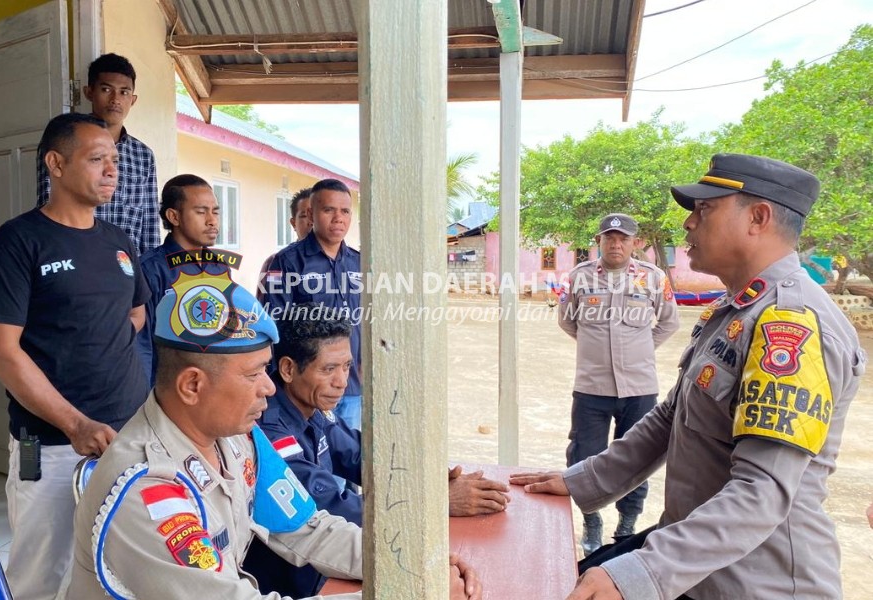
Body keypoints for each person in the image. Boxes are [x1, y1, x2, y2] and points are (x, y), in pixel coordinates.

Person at [511, 153, 867, 600]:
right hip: (697, 567)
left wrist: (645, 571)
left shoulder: (792, 324)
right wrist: (579, 482)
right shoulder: (734, 309)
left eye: (704, 210)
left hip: (756, 583)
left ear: (757, 218)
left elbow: (762, 491)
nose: (687, 225)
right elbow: (671, 418)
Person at [67, 272, 481, 600]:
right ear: (192, 386)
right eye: (253, 375)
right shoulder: (148, 487)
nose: (269, 387)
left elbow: (308, 529)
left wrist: (410, 564)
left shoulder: (237, 440)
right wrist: (408, 593)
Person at [0, 112, 150, 600]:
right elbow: (1, 352)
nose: (111, 170)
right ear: (55, 163)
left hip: (130, 438)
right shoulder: (16, 243)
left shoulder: (118, 242)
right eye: (97, 160)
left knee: (122, 568)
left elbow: (135, 314)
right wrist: (75, 424)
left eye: (114, 161)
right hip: (50, 447)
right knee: (42, 575)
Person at [246, 305, 509, 596]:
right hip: (300, 582)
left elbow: (364, 458)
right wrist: (433, 502)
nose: (342, 382)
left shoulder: (314, 408)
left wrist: (429, 483)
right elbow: (330, 504)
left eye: (346, 366)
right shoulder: (268, 431)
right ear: (287, 369)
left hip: (336, 563)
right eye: (328, 369)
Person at [559, 213, 680, 555]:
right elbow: (568, 322)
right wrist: (595, 350)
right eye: (609, 237)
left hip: (639, 388)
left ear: (634, 243)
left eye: (623, 238)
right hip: (591, 387)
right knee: (584, 455)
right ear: (598, 240)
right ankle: (592, 519)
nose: (616, 244)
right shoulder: (578, 278)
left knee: (636, 460)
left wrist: (639, 350)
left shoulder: (653, 278)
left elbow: (668, 323)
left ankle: (627, 524)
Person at [260, 179, 363, 431]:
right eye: (329, 210)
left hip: (350, 386)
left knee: (350, 454)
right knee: (310, 453)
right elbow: (274, 326)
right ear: (311, 214)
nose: (338, 218)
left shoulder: (360, 264)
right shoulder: (285, 263)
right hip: (306, 389)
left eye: (345, 211)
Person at [36, 52, 159, 255]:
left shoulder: (143, 155)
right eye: (106, 89)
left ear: (133, 99)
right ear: (88, 92)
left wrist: (148, 275)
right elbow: (47, 203)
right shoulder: (64, 141)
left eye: (124, 92)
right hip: (74, 257)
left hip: (127, 266)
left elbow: (150, 222)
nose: (115, 99)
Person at [136, 174, 235, 385]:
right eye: (201, 212)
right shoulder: (150, 270)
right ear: (174, 216)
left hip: (214, 384)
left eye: (215, 212)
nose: (212, 221)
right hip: (168, 386)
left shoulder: (220, 267)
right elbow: (141, 344)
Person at [257, 187, 314, 301]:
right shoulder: (276, 263)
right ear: (293, 223)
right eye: (304, 216)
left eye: (315, 214)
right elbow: (268, 312)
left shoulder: (351, 261)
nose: (311, 221)